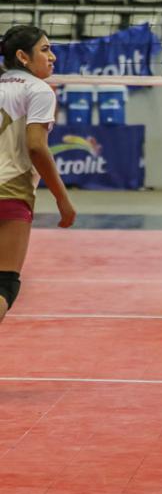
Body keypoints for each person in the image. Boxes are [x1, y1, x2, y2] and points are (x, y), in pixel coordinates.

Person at [0, 26, 76, 324]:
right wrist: (62, 198)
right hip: (9, 190)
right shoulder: (38, 90)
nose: (52, 56)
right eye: (45, 50)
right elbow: (36, 147)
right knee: (4, 284)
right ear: (23, 56)